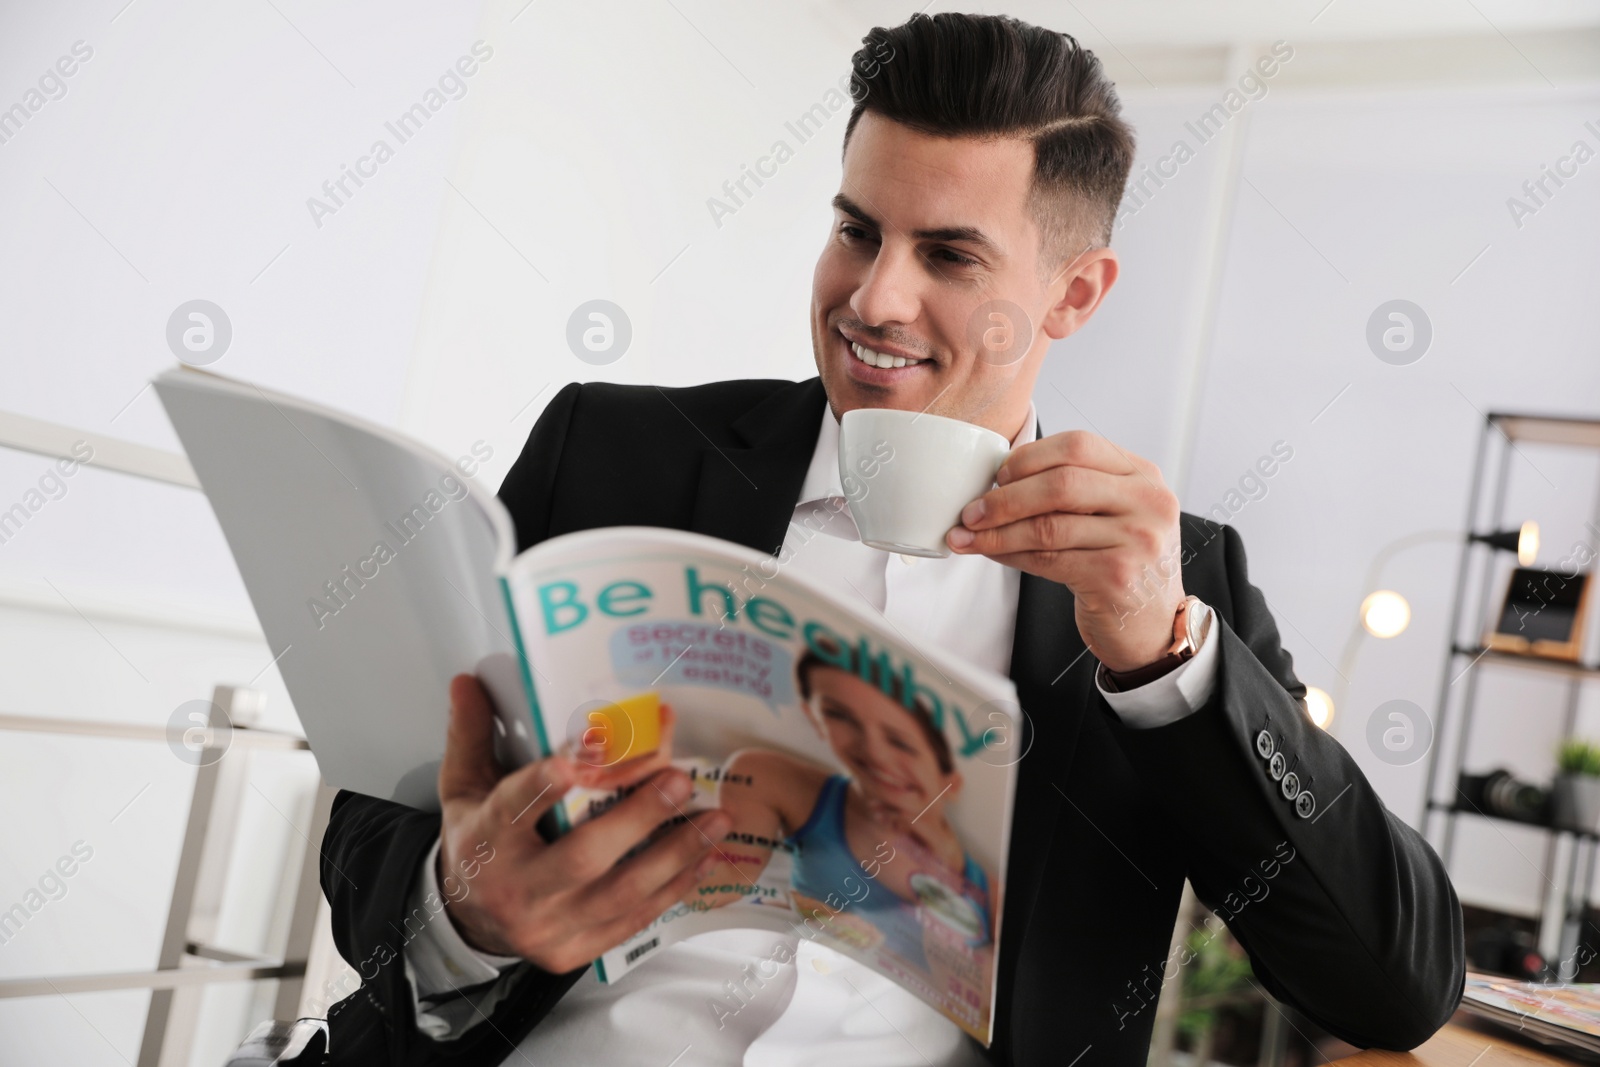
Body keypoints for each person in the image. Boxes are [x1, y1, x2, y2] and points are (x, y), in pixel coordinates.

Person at [309, 12, 1465, 1066]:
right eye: (856, 231)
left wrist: (1167, 656)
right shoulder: (614, 449)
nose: (872, 299)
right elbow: (385, 809)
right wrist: (459, 913)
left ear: (1074, 296)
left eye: (948, 256)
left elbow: (1391, 987)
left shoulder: (1176, 582)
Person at [693, 635, 995, 989]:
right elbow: (712, 890)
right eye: (839, 715)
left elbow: (987, 999)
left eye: (900, 742)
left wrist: (945, 861)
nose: (875, 754)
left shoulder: (989, 885)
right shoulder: (785, 784)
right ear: (813, 716)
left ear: (952, 781)